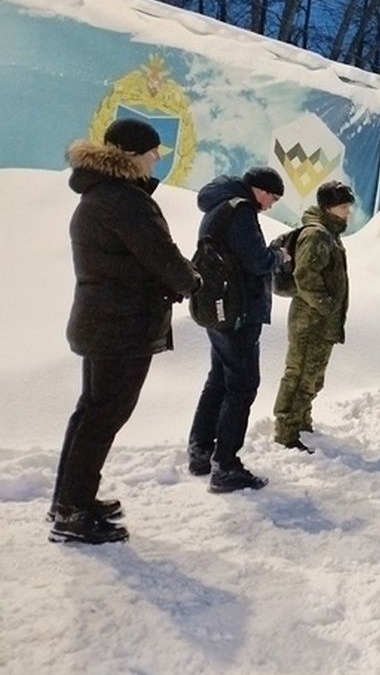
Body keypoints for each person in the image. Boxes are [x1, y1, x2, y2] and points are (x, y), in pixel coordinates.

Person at [50, 119, 198, 544]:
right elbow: (161, 257)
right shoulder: (124, 200)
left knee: (92, 413)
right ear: (133, 154)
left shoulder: (100, 193)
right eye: (153, 153)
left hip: (103, 321)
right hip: (122, 325)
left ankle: (70, 501)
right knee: (103, 416)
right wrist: (192, 280)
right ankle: (73, 512)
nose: (156, 160)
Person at [187, 166, 287, 493]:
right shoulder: (241, 210)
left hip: (218, 310)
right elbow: (257, 261)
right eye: (271, 197)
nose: (270, 204)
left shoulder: (219, 207)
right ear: (258, 189)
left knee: (219, 378)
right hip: (238, 312)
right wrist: (278, 254)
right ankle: (225, 465)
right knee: (243, 384)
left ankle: (201, 450)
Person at [272, 180, 354, 453]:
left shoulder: (330, 234)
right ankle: (286, 430)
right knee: (298, 375)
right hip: (310, 321)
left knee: (313, 376)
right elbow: (305, 276)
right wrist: (328, 305)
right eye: (344, 207)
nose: (348, 212)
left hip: (321, 321)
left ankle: (301, 420)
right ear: (329, 208)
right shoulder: (317, 235)